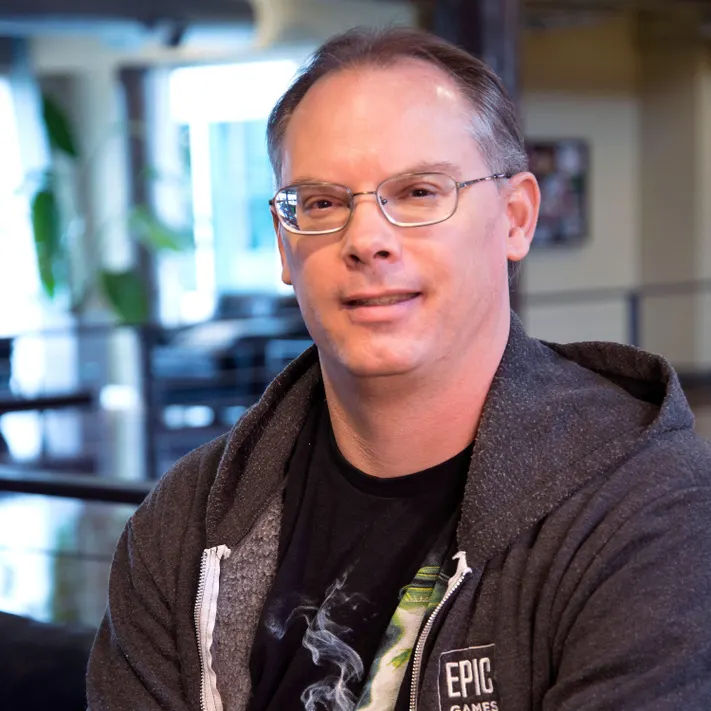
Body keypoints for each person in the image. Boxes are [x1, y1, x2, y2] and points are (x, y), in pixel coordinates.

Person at [86, 26, 711, 711]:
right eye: (322, 202)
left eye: (418, 191)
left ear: (515, 218)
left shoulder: (647, 511)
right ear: (285, 247)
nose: (366, 240)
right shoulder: (184, 523)